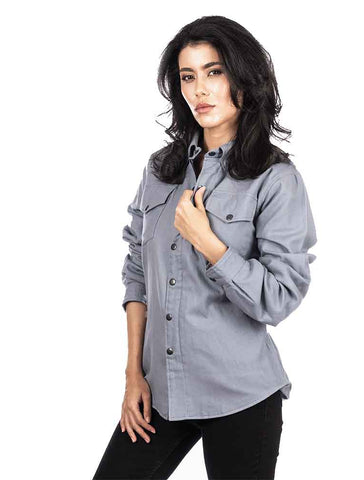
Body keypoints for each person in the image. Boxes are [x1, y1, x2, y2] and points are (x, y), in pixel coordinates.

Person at [93, 15, 317, 480]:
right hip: (159, 391)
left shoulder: (276, 180)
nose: (200, 90)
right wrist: (133, 374)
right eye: (188, 76)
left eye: (214, 72)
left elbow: (279, 298)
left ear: (243, 79)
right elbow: (137, 272)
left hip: (241, 395)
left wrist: (209, 244)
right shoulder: (161, 170)